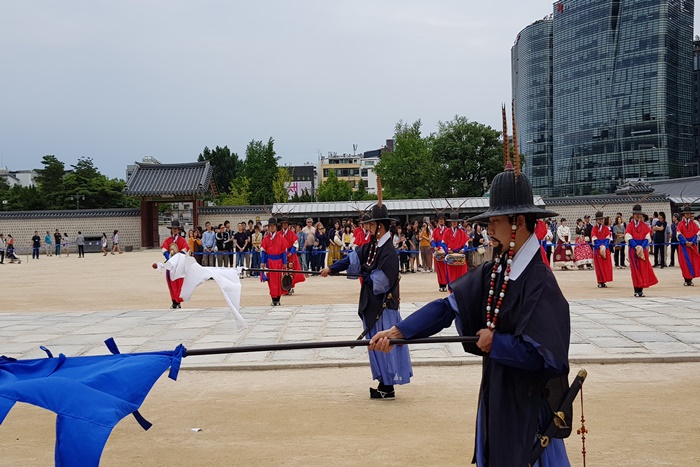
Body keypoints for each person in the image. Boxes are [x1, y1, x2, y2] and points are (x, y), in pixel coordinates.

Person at [370, 160, 570, 465]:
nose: (488, 229)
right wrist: (399, 332)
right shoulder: (498, 269)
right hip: (498, 394)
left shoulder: (539, 281)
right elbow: (447, 306)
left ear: (517, 221)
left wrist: (497, 343)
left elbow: (548, 357)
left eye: (495, 221)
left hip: (527, 408)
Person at [322, 203, 412, 400]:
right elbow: (352, 259)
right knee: (375, 343)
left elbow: (383, 281)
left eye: (371, 225)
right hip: (371, 303)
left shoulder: (388, 251)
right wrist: (331, 268)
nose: (368, 228)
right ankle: (383, 383)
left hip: (384, 306)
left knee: (384, 343)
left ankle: (388, 387)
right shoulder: (371, 246)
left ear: (379, 226)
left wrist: (366, 274)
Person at [625, 204, 658, 297]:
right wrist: (636, 247)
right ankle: (636, 289)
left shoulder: (645, 226)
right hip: (633, 250)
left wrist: (641, 247)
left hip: (643, 250)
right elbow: (628, 237)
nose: (637, 215)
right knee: (635, 270)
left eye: (639, 214)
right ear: (633, 215)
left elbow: (647, 238)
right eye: (635, 214)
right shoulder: (629, 226)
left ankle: (641, 290)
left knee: (643, 269)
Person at [161, 220, 190, 309]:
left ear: (178, 230)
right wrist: (169, 259)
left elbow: (185, 249)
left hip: (179, 265)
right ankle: (174, 300)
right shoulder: (168, 240)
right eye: (173, 228)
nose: (174, 230)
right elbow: (164, 249)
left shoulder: (182, 240)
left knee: (179, 283)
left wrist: (177, 258)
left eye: (176, 229)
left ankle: (178, 301)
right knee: (171, 283)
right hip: (171, 265)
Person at [260, 217, 288, 306]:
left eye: (273, 226)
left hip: (279, 262)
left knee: (279, 280)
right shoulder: (266, 239)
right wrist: (263, 262)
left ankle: (278, 299)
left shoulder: (281, 238)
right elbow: (263, 251)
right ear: (268, 228)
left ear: (276, 227)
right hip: (270, 262)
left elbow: (284, 251)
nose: (272, 227)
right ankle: (273, 299)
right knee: (271, 281)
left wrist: (284, 262)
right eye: (270, 226)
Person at [280, 217, 305, 294]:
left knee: (291, 272)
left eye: (286, 223)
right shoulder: (279, 234)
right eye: (283, 223)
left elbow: (295, 244)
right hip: (281, 255)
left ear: (288, 224)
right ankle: (284, 288)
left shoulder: (292, 234)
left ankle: (289, 287)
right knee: (282, 272)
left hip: (290, 255)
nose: (284, 225)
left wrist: (291, 252)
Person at [677, 206, 700, 286]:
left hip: (692, 246)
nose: (687, 215)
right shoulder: (680, 224)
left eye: (689, 214)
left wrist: (692, 242)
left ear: (690, 215)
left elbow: (697, 234)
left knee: (693, 262)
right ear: (684, 215)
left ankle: (690, 279)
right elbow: (679, 234)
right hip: (684, 246)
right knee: (685, 263)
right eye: (686, 213)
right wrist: (685, 242)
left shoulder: (694, 224)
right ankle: (686, 279)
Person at [443, 212, 468, 284]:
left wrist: (463, 250)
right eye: (453, 221)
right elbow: (443, 243)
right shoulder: (447, 232)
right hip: (451, 254)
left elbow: (466, 243)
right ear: (451, 222)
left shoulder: (462, 232)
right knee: (451, 275)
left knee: (461, 274)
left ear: (457, 222)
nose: (454, 223)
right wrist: (448, 250)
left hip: (460, 254)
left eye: (455, 221)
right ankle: (452, 290)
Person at [591, 211, 613, 288]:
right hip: (597, 249)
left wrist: (604, 246)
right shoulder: (594, 229)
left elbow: (608, 238)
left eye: (601, 219)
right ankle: (600, 281)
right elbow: (594, 239)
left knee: (605, 266)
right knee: (599, 266)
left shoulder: (606, 228)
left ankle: (605, 280)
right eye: (599, 219)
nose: (600, 220)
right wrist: (600, 246)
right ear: (596, 220)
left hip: (605, 248)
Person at [431, 212, 448, 291]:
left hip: (446, 250)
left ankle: (446, 283)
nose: (441, 221)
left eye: (442, 219)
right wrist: (434, 247)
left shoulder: (448, 230)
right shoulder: (435, 230)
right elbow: (432, 240)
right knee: (439, 269)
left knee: (446, 268)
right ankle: (441, 285)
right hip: (438, 250)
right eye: (440, 219)